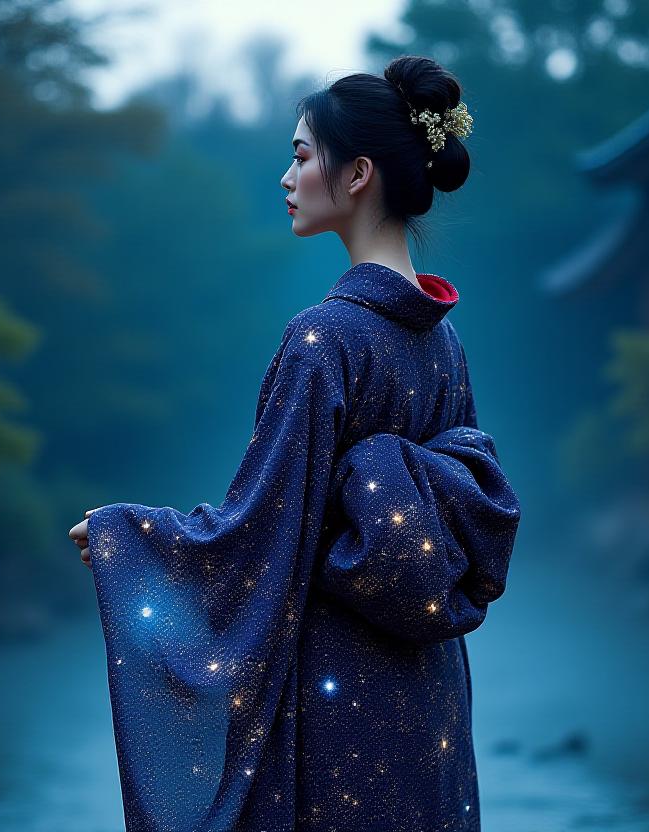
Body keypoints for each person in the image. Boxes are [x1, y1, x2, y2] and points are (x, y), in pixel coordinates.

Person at [68, 54, 520, 832]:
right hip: (431, 695)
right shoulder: (443, 344)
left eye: (303, 155)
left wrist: (128, 539)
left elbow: (263, 529)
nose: (286, 177)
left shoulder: (323, 340)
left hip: (337, 698)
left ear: (358, 175)